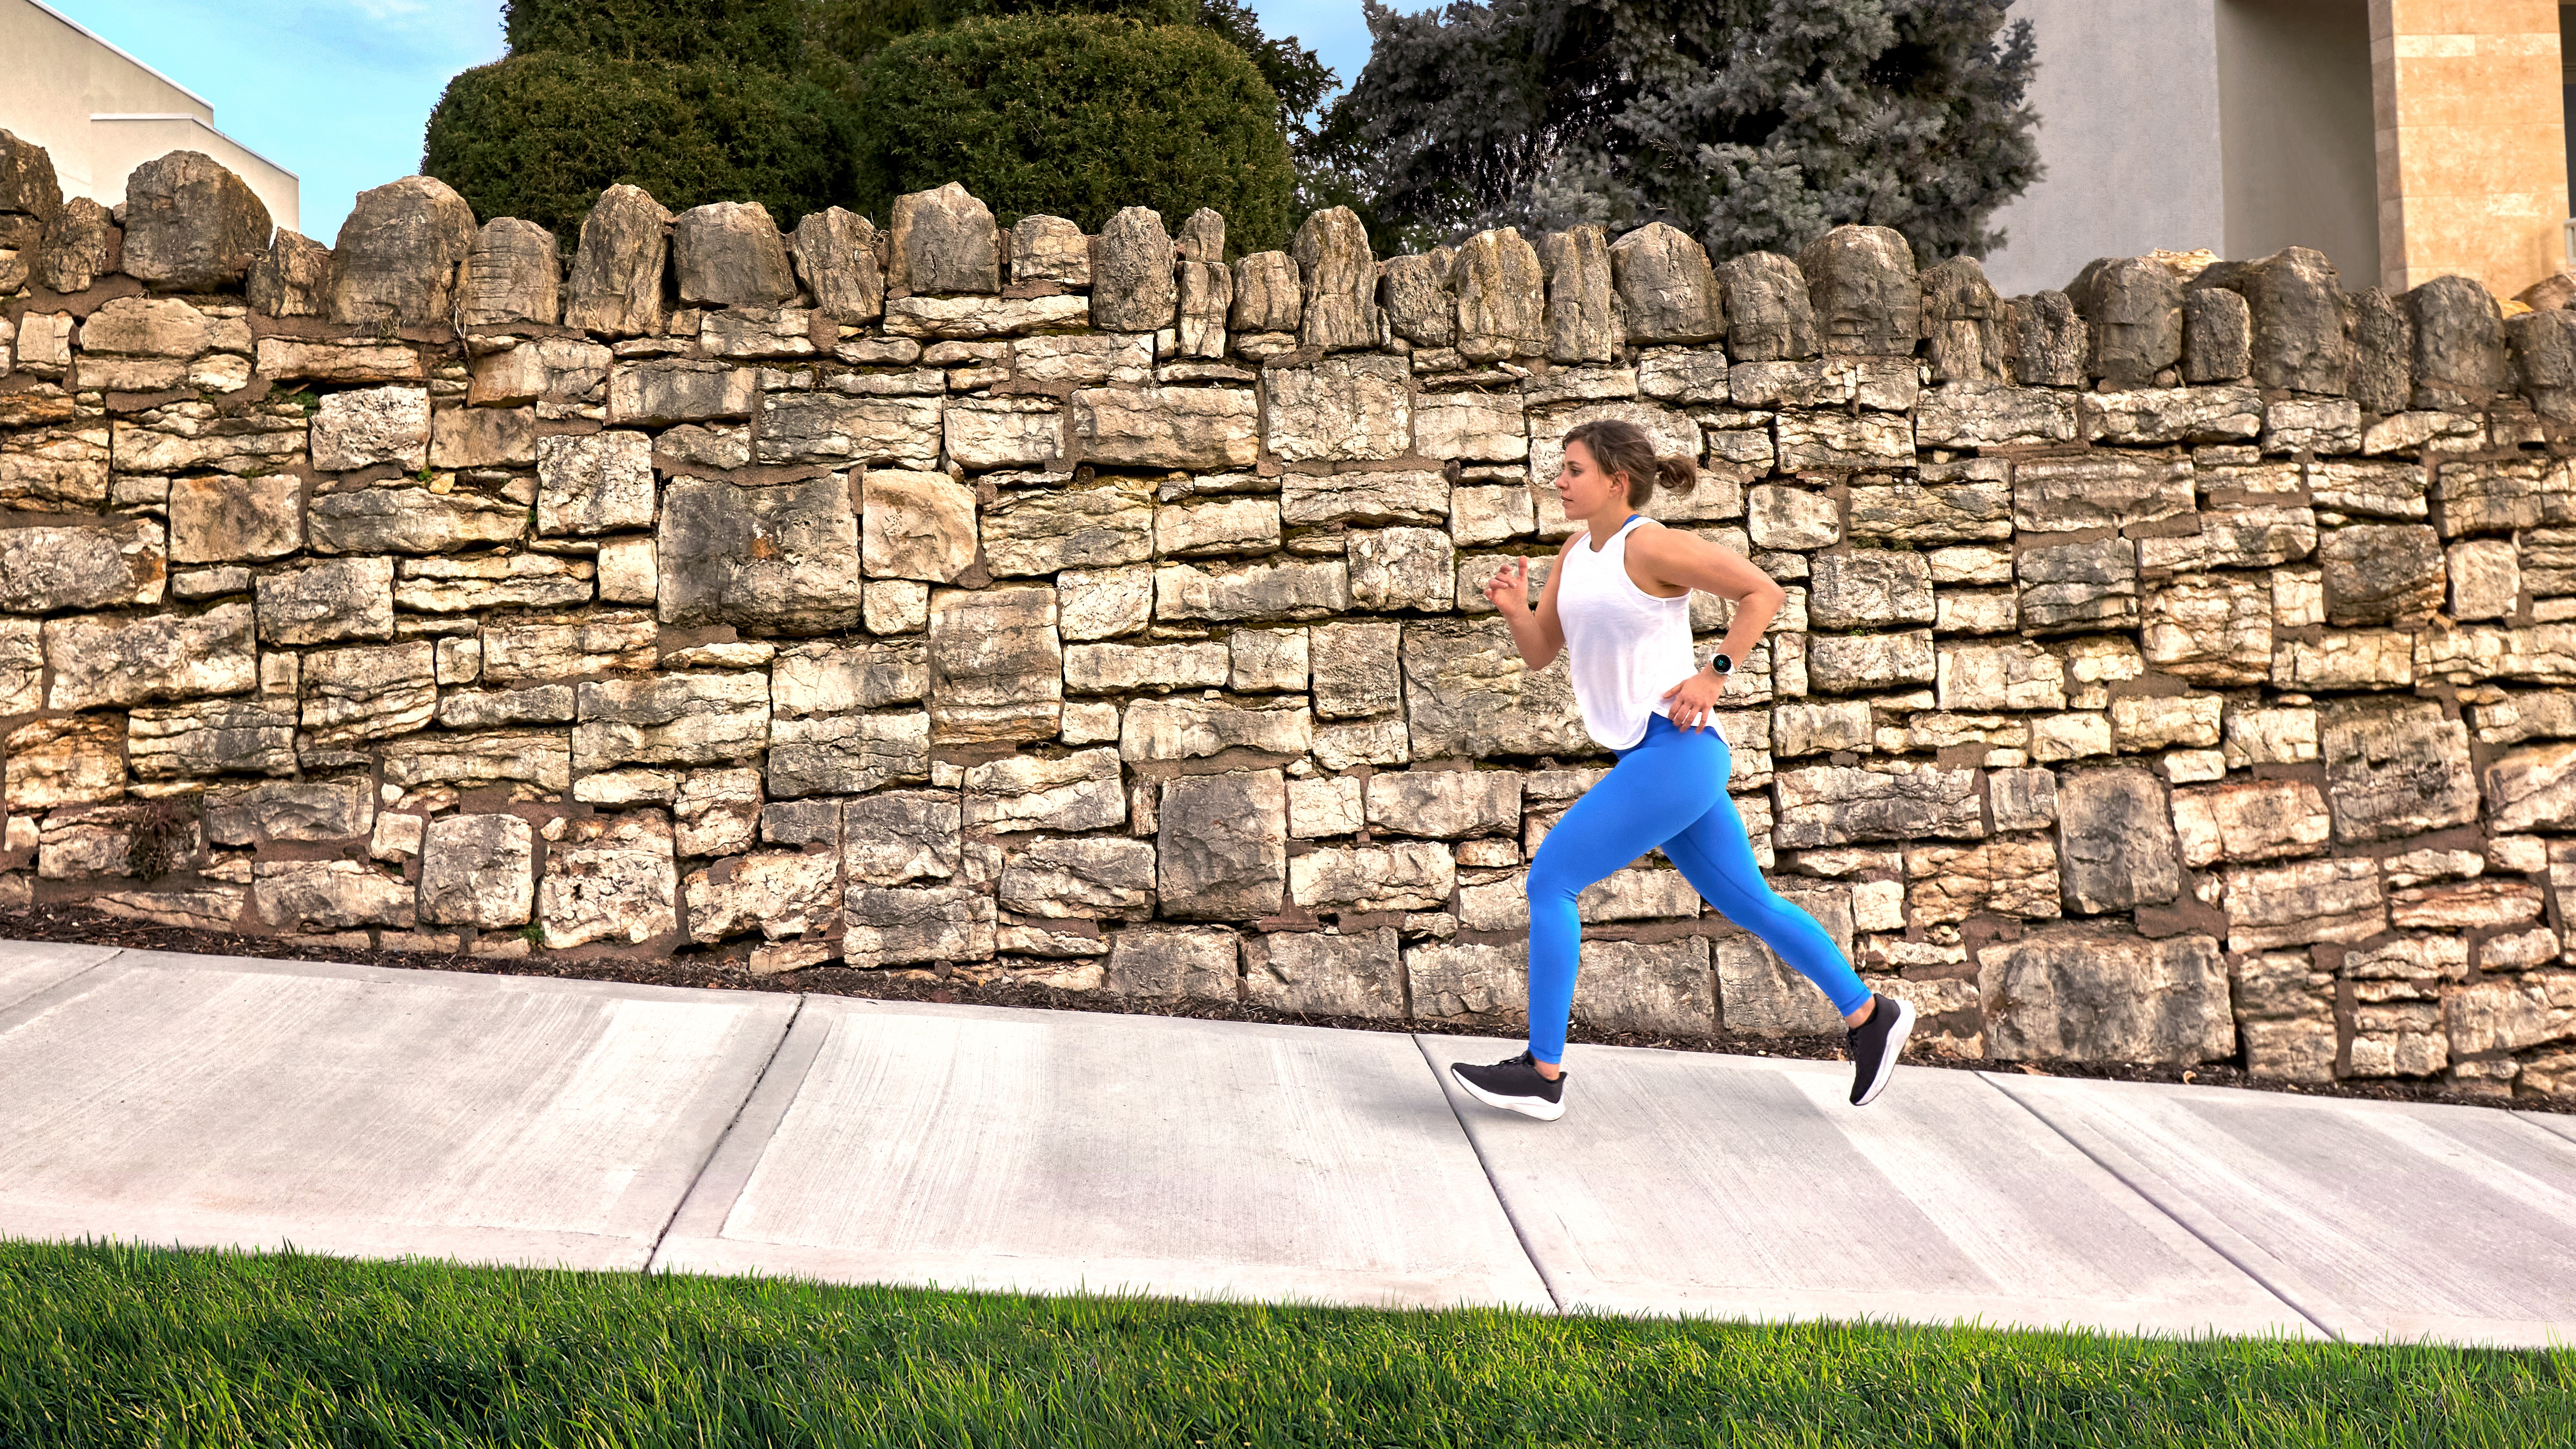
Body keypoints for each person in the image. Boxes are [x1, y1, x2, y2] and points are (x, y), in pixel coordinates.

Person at [1448, 419, 1914, 1121]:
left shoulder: (1653, 544)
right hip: (1650, 755)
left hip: (1679, 748)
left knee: (1551, 880)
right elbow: (1543, 650)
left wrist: (1714, 674)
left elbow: (1762, 593)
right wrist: (1517, 610)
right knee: (1749, 902)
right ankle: (1869, 1014)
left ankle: (1542, 1074)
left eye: (1572, 469)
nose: (1560, 481)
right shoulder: (1576, 549)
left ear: (1615, 480)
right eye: (1561, 469)